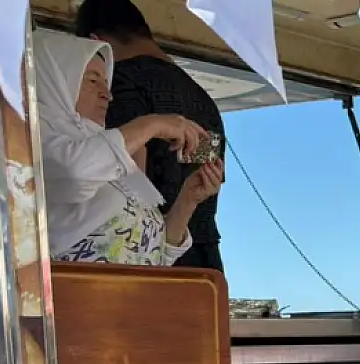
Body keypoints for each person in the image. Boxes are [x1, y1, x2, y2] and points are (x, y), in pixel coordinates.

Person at [33, 31, 220, 267]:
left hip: (132, 299)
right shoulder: (35, 135)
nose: (107, 94)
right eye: (93, 80)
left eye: (106, 82)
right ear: (56, 80)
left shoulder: (104, 150)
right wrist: (152, 124)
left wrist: (188, 200)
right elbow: (75, 174)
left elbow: (154, 258)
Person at [76, 0, 225, 271]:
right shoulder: (201, 98)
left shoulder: (120, 84)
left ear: (94, 43)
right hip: (204, 261)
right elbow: (206, 171)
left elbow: (128, 188)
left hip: (143, 256)